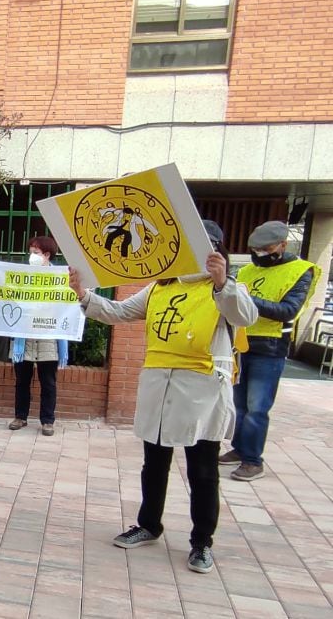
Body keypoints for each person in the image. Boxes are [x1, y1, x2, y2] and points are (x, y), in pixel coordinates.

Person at [69, 220, 257, 574]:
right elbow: (120, 312)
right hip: (159, 386)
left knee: (202, 471)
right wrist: (83, 295)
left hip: (201, 392)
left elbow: (246, 315)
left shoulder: (227, 289)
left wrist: (221, 283)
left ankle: (202, 542)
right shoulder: (160, 288)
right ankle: (149, 524)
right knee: (153, 464)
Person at [219, 221, 320, 481]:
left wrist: (245, 299)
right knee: (239, 403)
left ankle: (253, 461)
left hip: (271, 346)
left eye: (265, 249)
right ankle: (240, 449)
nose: (259, 254)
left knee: (257, 406)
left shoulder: (300, 271)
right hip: (243, 344)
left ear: (283, 245)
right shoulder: (247, 271)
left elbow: (288, 310)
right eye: (255, 249)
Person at [0, 236, 68, 436]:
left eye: (35, 253)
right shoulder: (22, 275)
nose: (31, 256)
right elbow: (1, 291)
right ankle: (20, 416)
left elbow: (74, 297)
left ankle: (48, 421)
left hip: (49, 338)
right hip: (23, 338)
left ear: (47, 255)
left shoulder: (60, 277)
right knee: (22, 380)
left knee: (48, 382)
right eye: (30, 252)